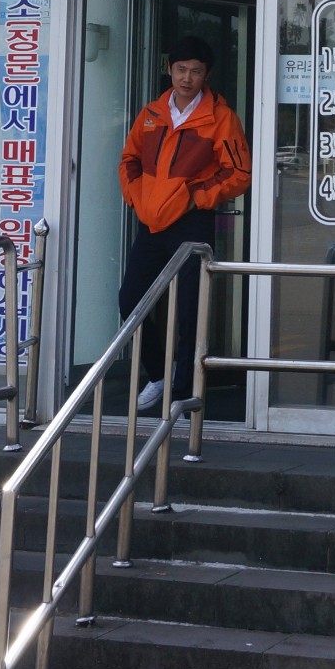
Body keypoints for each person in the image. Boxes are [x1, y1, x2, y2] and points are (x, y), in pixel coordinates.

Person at [118, 36, 251, 411]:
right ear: (169, 70)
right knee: (130, 300)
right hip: (151, 224)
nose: (187, 78)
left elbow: (239, 173)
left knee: (190, 309)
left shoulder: (221, 118)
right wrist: (137, 197)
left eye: (195, 71)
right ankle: (158, 374)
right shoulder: (151, 114)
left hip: (192, 223)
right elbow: (129, 160)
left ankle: (183, 389)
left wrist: (196, 198)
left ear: (206, 75)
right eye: (180, 70)